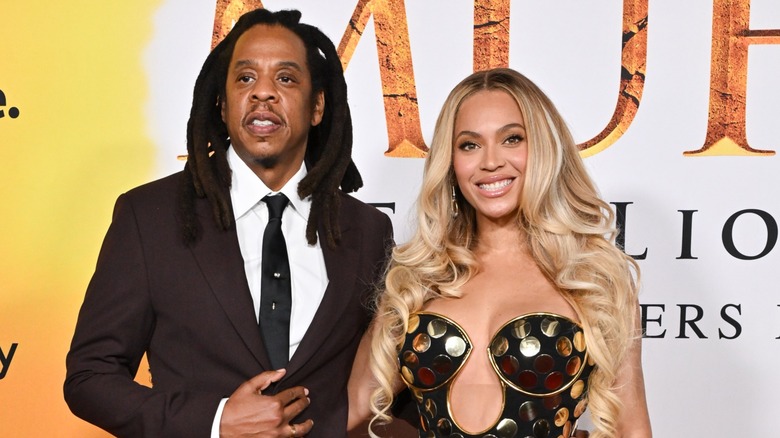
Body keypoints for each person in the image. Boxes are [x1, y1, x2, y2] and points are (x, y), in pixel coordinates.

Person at [64, 8, 393, 438]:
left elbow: (382, 383)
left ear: (317, 107)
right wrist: (215, 422)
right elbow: (90, 379)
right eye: (245, 78)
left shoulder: (367, 231)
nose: (263, 93)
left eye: (286, 78)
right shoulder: (150, 217)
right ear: (221, 104)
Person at [348, 68, 651, 437]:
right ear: (451, 162)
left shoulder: (595, 278)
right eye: (470, 145)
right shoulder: (418, 277)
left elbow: (631, 427)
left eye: (512, 139)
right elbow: (352, 410)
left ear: (542, 147)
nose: (490, 161)